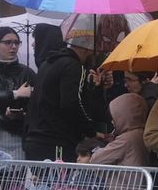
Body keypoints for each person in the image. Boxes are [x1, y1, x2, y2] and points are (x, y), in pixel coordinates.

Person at [24, 21, 107, 161]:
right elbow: (71, 103)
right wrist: (91, 131)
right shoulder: (73, 66)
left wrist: (93, 88)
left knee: (41, 183)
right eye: (97, 48)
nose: (98, 53)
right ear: (87, 48)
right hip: (57, 140)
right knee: (60, 183)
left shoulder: (47, 63)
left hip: (34, 139)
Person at [0, 25, 37, 159]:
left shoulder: (27, 72)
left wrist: (22, 114)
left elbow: (37, 104)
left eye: (16, 42)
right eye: (8, 42)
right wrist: (15, 94)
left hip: (19, 134)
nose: (13, 46)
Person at [82, 93, 148, 167]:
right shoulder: (142, 133)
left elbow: (96, 160)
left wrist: (98, 150)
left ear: (124, 116)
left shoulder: (126, 139)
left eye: (115, 117)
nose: (112, 121)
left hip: (124, 178)